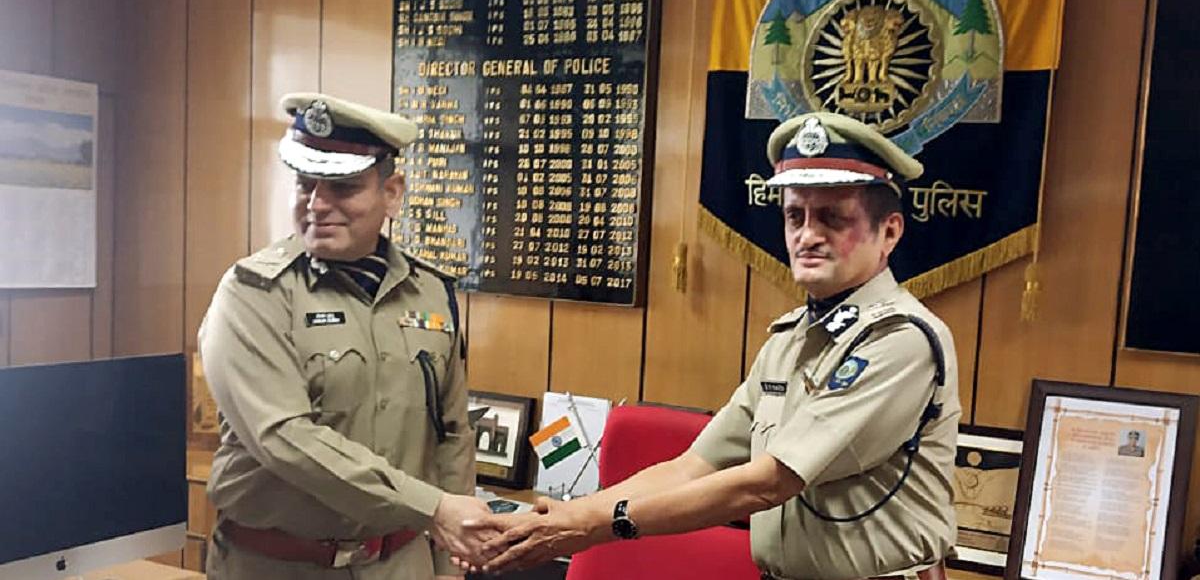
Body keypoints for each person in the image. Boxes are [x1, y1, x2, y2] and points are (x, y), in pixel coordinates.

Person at [465, 112, 962, 580]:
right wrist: (565, 516)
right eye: (795, 216)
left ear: (889, 232)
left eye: (833, 218)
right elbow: (693, 466)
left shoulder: (902, 340)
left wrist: (593, 526)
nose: (808, 235)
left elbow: (767, 482)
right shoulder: (791, 339)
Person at [199, 93, 493, 580]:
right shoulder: (253, 293)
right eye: (304, 184)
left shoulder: (431, 292)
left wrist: (449, 567)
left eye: (343, 187)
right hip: (279, 566)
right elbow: (285, 438)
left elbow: (452, 436)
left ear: (392, 193)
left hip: (401, 565)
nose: (317, 205)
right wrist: (432, 507)